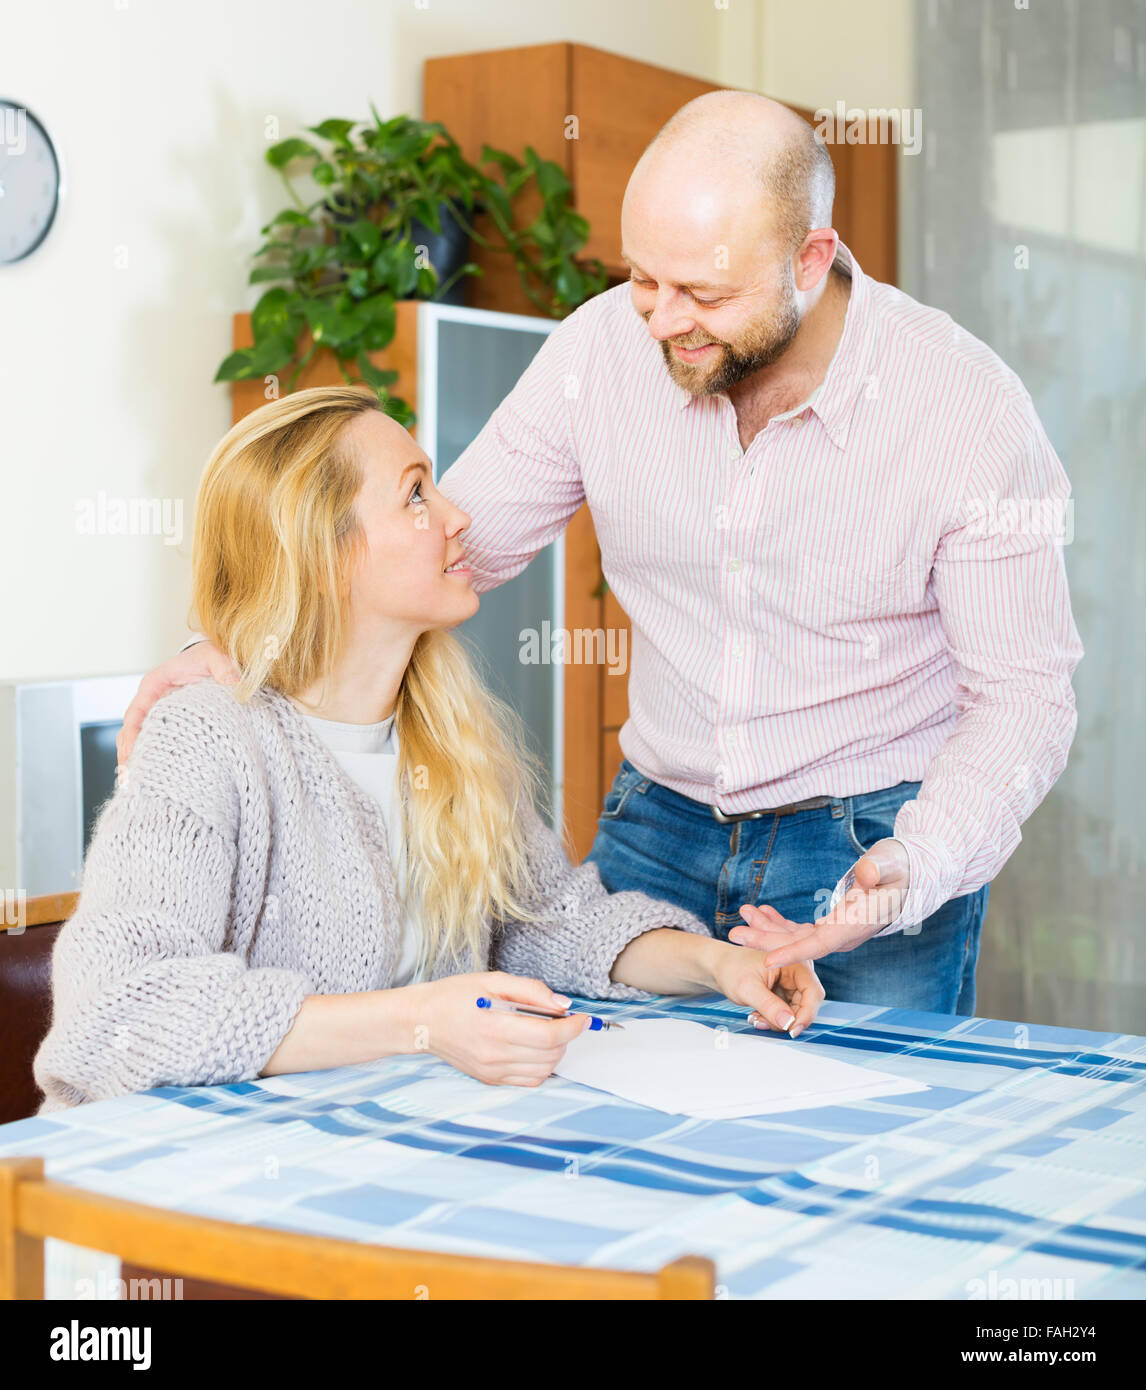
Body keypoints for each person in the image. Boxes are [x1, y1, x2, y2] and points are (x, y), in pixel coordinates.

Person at [119, 91, 1083, 1017]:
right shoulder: (600, 354)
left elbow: (1027, 696)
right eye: (643, 281)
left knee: (863, 1140)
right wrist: (240, 639)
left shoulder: (966, 413)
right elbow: (441, 545)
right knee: (617, 1130)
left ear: (810, 259)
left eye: (703, 293)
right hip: (655, 827)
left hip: (869, 842)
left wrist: (913, 867)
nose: (661, 322)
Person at [34, 386, 824, 1113]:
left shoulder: (450, 734)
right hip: (180, 1206)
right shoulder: (204, 736)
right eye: (416, 494)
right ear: (324, 554)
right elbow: (117, 1015)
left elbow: (549, 924)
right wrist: (422, 1022)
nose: (459, 516)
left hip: (383, 1153)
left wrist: (718, 966)